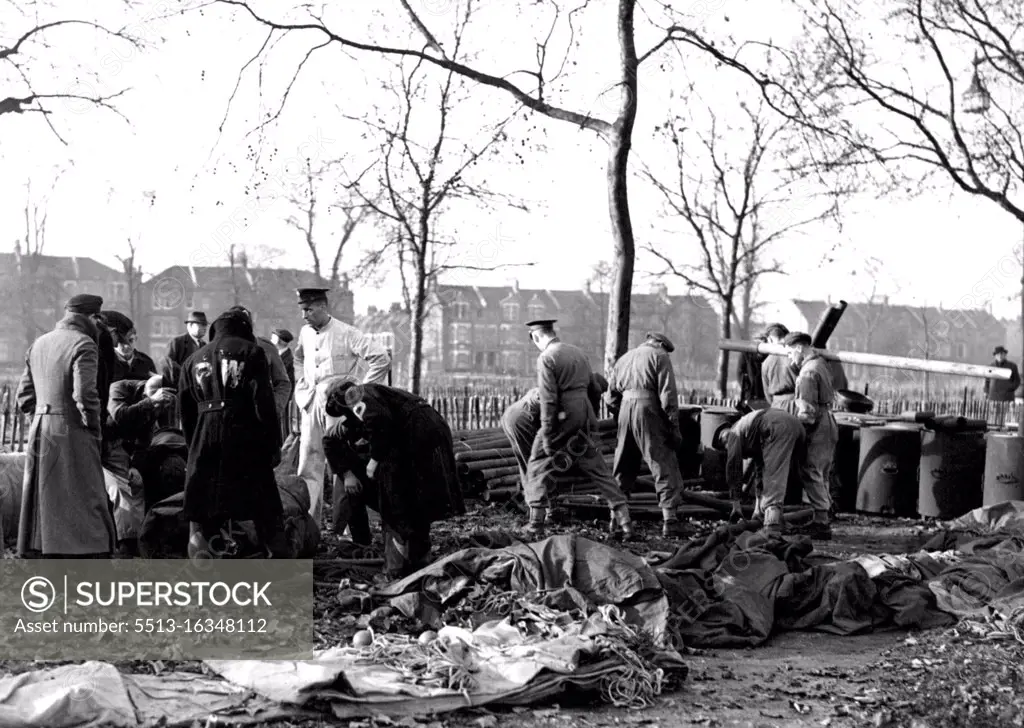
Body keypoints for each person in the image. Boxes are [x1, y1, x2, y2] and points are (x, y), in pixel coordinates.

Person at [321, 380, 464, 580]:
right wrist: (347, 474)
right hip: (429, 430)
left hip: (417, 433)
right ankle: (416, 560)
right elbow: (330, 439)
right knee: (414, 501)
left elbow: (378, 420)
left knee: (397, 503)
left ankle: (396, 568)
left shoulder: (356, 396)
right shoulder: (370, 403)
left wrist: (374, 460)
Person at [178, 309, 285, 558]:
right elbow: (264, 405)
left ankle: (202, 558)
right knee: (263, 502)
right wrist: (272, 446)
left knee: (202, 502)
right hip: (244, 434)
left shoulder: (192, 359)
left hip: (204, 435)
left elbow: (185, 413)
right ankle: (277, 559)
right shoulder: (253, 352)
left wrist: (193, 446)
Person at [15, 293, 116, 558]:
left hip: (42, 429)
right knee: (85, 495)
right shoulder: (83, 344)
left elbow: (24, 396)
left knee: (47, 498)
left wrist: (40, 417)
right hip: (73, 430)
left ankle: (46, 553)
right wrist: (94, 428)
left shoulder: (39, 343)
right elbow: (85, 396)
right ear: (92, 317)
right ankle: (86, 555)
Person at [522, 319, 633, 539]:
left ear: (536, 337)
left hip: (564, 415)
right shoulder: (578, 353)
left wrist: (547, 434)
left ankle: (535, 525)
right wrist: (587, 419)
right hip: (584, 414)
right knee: (598, 468)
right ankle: (625, 521)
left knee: (537, 464)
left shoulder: (547, 358)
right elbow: (594, 388)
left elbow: (549, 400)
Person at [293, 287, 392, 524]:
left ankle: (347, 527)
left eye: (308, 309)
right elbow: (297, 358)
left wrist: (360, 393)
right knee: (309, 463)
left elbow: (381, 359)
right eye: (302, 310)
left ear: (323, 307)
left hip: (338, 405)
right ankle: (309, 525)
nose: (304, 315)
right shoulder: (305, 333)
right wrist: (302, 388)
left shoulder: (347, 332)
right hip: (311, 403)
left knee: (343, 463)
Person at [605, 332, 686, 538]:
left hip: (625, 408)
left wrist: (622, 416)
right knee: (663, 462)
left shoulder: (624, 358)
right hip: (648, 410)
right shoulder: (659, 356)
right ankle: (670, 521)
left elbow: (610, 398)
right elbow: (668, 396)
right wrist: (673, 426)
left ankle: (617, 521)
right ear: (659, 344)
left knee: (623, 465)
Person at [105, 371, 177, 556]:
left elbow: (145, 439)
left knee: (138, 483)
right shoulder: (118, 388)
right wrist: (151, 403)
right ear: (145, 393)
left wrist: (135, 465)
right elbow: (119, 416)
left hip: (128, 451)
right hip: (106, 445)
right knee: (123, 488)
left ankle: (142, 538)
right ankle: (128, 545)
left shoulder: (157, 401)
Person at [784, 331, 838, 540]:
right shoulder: (821, 364)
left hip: (817, 425)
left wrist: (796, 434)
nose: (790, 358)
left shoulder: (806, 373)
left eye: (790, 353)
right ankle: (821, 516)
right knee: (822, 471)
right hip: (828, 421)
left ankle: (821, 522)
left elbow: (806, 413)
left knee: (811, 470)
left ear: (799, 348)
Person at [723, 405, 806, 536]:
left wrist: (736, 504)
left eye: (725, 446)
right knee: (778, 473)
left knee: (774, 476)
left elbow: (733, 467)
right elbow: (760, 473)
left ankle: (772, 524)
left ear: (724, 438)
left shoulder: (733, 433)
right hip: (795, 425)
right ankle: (774, 517)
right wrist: (757, 510)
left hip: (777, 426)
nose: (727, 449)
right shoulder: (752, 434)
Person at [222, 305, 292, 428]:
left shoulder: (266, 347)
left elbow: (283, 383)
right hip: (227, 419)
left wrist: (273, 408)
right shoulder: (219, 349)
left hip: (260, 420)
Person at [104, 311, 157, 382]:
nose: (126, 346)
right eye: (121, 342)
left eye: (131, 340)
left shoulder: (146, 361)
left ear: (136, 339)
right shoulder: (106, 361)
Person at [761, 323, 799, 413]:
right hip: (797, 404)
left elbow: (767, 393)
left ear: (769, 339)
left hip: (776, 405)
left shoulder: (766, 363)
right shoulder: (795, 356)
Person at [272, 328, 296, 439]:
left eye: (273, 337)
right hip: (280, 396)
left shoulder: (287, 359)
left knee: (283, 426)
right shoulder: (279, 356)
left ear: (278, 340)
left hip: (284, 398)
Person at [738, 333, 767, 404]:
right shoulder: (746, 353)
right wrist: (746, 387)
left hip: (764, 392)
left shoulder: (768, 355)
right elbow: (740, 372)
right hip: (750, 392)